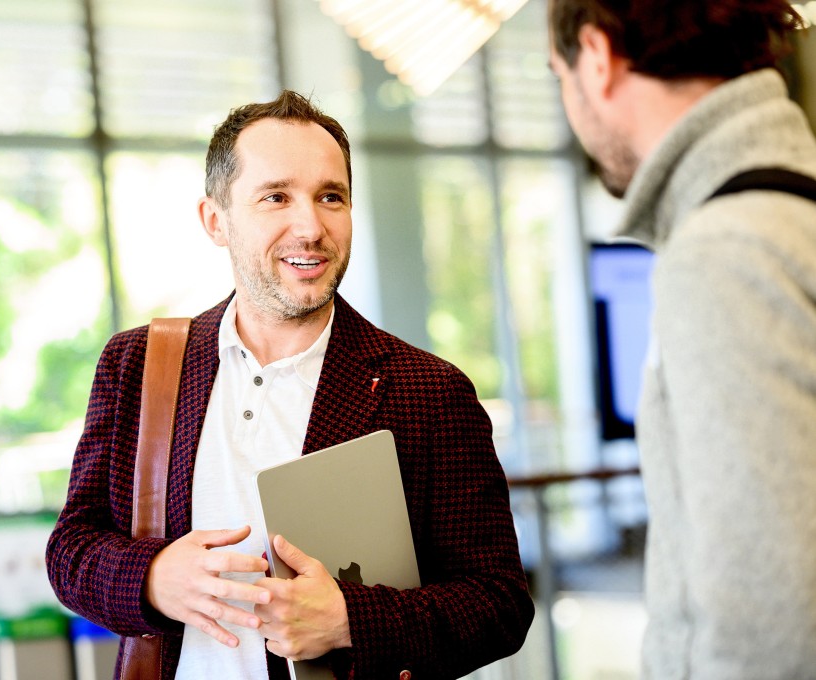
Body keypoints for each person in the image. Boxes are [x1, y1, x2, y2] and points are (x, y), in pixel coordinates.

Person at [46, 90, 533, 680]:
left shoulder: (428, 390)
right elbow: (71, 549)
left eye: (331, 197)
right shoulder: (139, 365)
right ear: (216, 221)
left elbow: (499, 603)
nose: (310, 226)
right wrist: (152, 579)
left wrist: (351, 619)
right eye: (276, 197)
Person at [548, 1, 816, 678]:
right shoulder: (792, 208)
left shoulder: (723, 253)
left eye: (559, 75)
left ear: (597, 57)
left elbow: (769, 619)